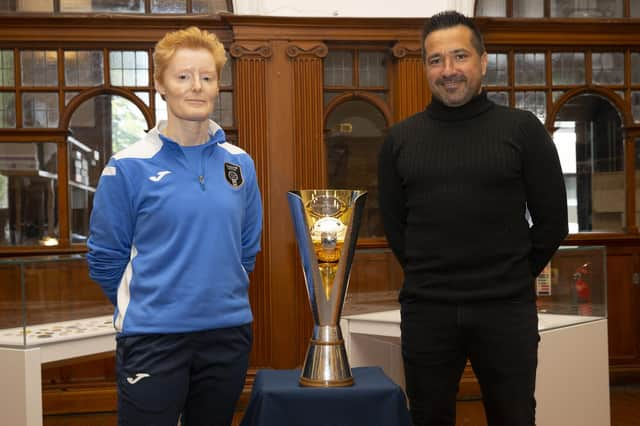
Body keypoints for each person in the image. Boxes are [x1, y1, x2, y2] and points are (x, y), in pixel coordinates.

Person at [378, 11, 568, 426]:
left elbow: (553, 223)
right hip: (428, 311)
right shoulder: (400, 139)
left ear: (483, 62)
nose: (448, 71)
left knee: (514, 417)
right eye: (436, 60)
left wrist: (511, 275)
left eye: (460, 56)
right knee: (428, 417)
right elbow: (394, 227)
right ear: (425, 68)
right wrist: (434, 274)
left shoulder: (522, 130)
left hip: (506, 311)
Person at [87, 26, 262, 426]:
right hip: (153, 338)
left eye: (207, 76)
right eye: (183, 76)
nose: (195, 87)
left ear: (218, 85)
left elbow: (247, 247)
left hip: (227, 333)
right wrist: (152, 305)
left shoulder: (239, 164)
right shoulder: (127, 166)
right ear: (161, 85)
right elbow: (105, 259)